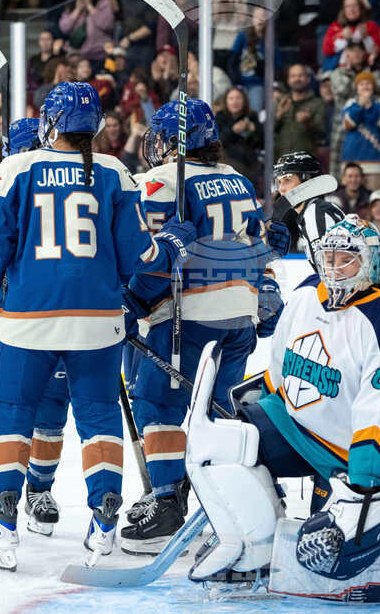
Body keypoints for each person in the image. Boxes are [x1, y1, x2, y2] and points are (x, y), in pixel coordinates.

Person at [0, 83, 196, 570]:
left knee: (9, 415)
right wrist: (172, 246)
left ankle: (2, 529)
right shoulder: (115, 172)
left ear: (50, 122)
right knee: (99, 419)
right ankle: (104, 520)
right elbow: (139, 258)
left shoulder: (14, 169)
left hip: (28, 321)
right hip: (99, 323)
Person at [185, 215, 380, 585]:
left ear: (372, 263)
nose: (334, 267)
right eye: (328, 258)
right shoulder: (304, 294)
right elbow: (281, 367)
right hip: (298, 429)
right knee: (231, 443)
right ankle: (259, 544)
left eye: (346, 258)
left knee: (330, 554)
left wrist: (365, 487)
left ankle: (367, 520)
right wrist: (255, 404)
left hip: (352, 456)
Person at [120, 98, 278, 555]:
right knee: (218, 412)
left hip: (187, 317)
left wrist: (133, 301)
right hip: (238, 316)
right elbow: (258, 245)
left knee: (157, 405)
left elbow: (150, 257)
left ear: (173, 141)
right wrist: (265, 298)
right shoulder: (239, 180)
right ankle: (225, 501)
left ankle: (167, 503)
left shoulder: (161, 180)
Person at [0, 117, 73, 543]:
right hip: (5, 318)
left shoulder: (67, 186)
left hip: (52, 314)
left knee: (52, 409)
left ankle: (40, 492)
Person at [270, 151, 344, 270]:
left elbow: (332, 271)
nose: (281, 189)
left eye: (287, 180)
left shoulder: (316, 212)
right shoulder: (310, 211)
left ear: (308, 181)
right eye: (279, 182)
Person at [340, 71, 380, 191]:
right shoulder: (350, 103)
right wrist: (360, 106)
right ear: (356, 88)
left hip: (377, 163)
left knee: (377, 196)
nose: (365, 86)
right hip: (352, 160)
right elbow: (348, 124)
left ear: (374, 87)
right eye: (361, 84)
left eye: (368, 83)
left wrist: (369, 107)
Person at [215, 87, 262, 189]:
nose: (235, 102)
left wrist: (253, 129)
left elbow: (262, 143)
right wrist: (233, 131)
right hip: (228, 165)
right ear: (226, 101)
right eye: (231, 98)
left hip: (251, 165)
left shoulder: (252, 116)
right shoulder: (220, 117)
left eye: (238, 98)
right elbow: (218, 142)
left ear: (244, 101)